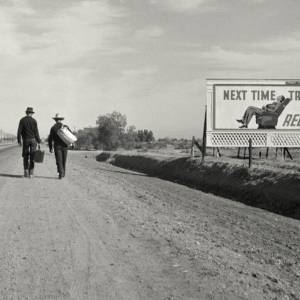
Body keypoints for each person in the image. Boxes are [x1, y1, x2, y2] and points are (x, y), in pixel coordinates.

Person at [17, 107, 41, 178]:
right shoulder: (34, 121)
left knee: (25, 156)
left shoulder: (22, 120)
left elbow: (19, 131)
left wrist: (19, 140)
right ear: (31, 113)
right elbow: (36, 132)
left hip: (26, 140)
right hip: (33, 140)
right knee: (32, 156)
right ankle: (31, 174)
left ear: (26, 113)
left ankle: (26, 172)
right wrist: (39, 141)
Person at [48, 113, 70, 179]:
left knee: (59, 160)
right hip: (65, 146)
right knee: (64, 160)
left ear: (55, 120)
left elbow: (50, 139)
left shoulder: (53, 128)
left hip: (57, 146)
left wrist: (50, 148)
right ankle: (63, 173)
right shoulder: (65, 126)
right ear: (61, 120)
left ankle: (60, 173)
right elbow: (70, 135)